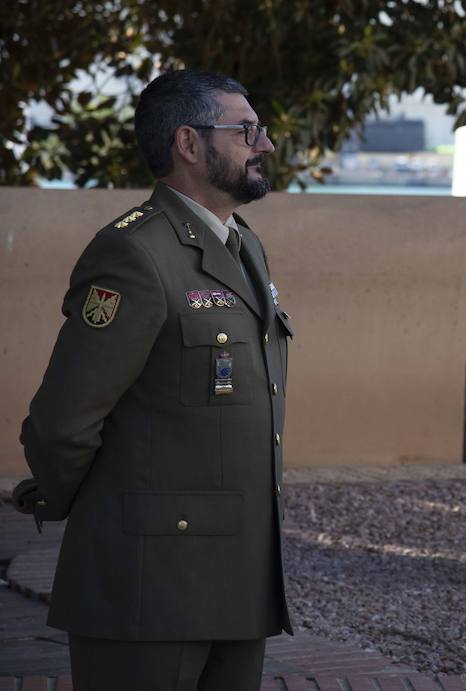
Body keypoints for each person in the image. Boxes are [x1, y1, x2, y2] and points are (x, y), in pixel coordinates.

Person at [15, 70, 294, 690]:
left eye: (261, 129)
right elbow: (63, 419)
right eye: (245, 130)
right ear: (188, 144)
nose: (265, 145)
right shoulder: (135, 253)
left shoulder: (243, 244)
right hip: (148, 581)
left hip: (239, 578)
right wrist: (72, 502)